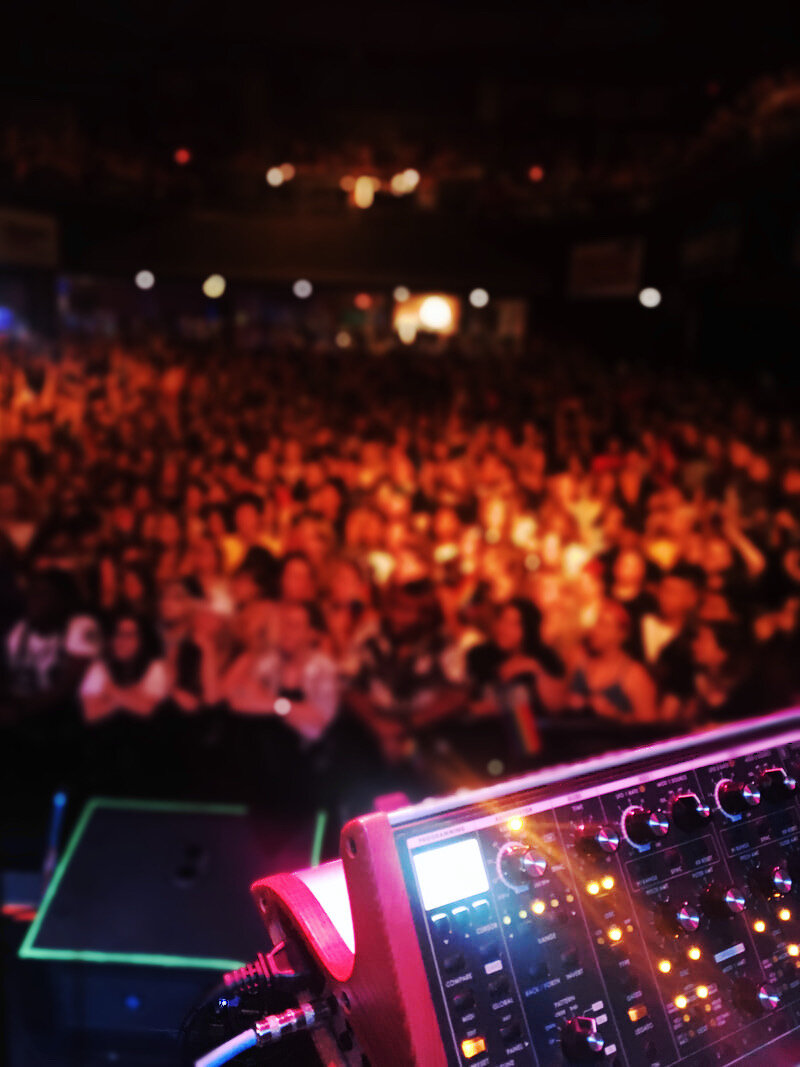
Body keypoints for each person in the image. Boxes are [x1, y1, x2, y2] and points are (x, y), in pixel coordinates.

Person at [567, 600, 657, 723]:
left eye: (603, 625)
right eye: (595, 623)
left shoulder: (634, 675)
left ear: (621, 634)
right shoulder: (578, 660)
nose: (595, 630)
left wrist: (615, 715)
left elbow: (649, 723)